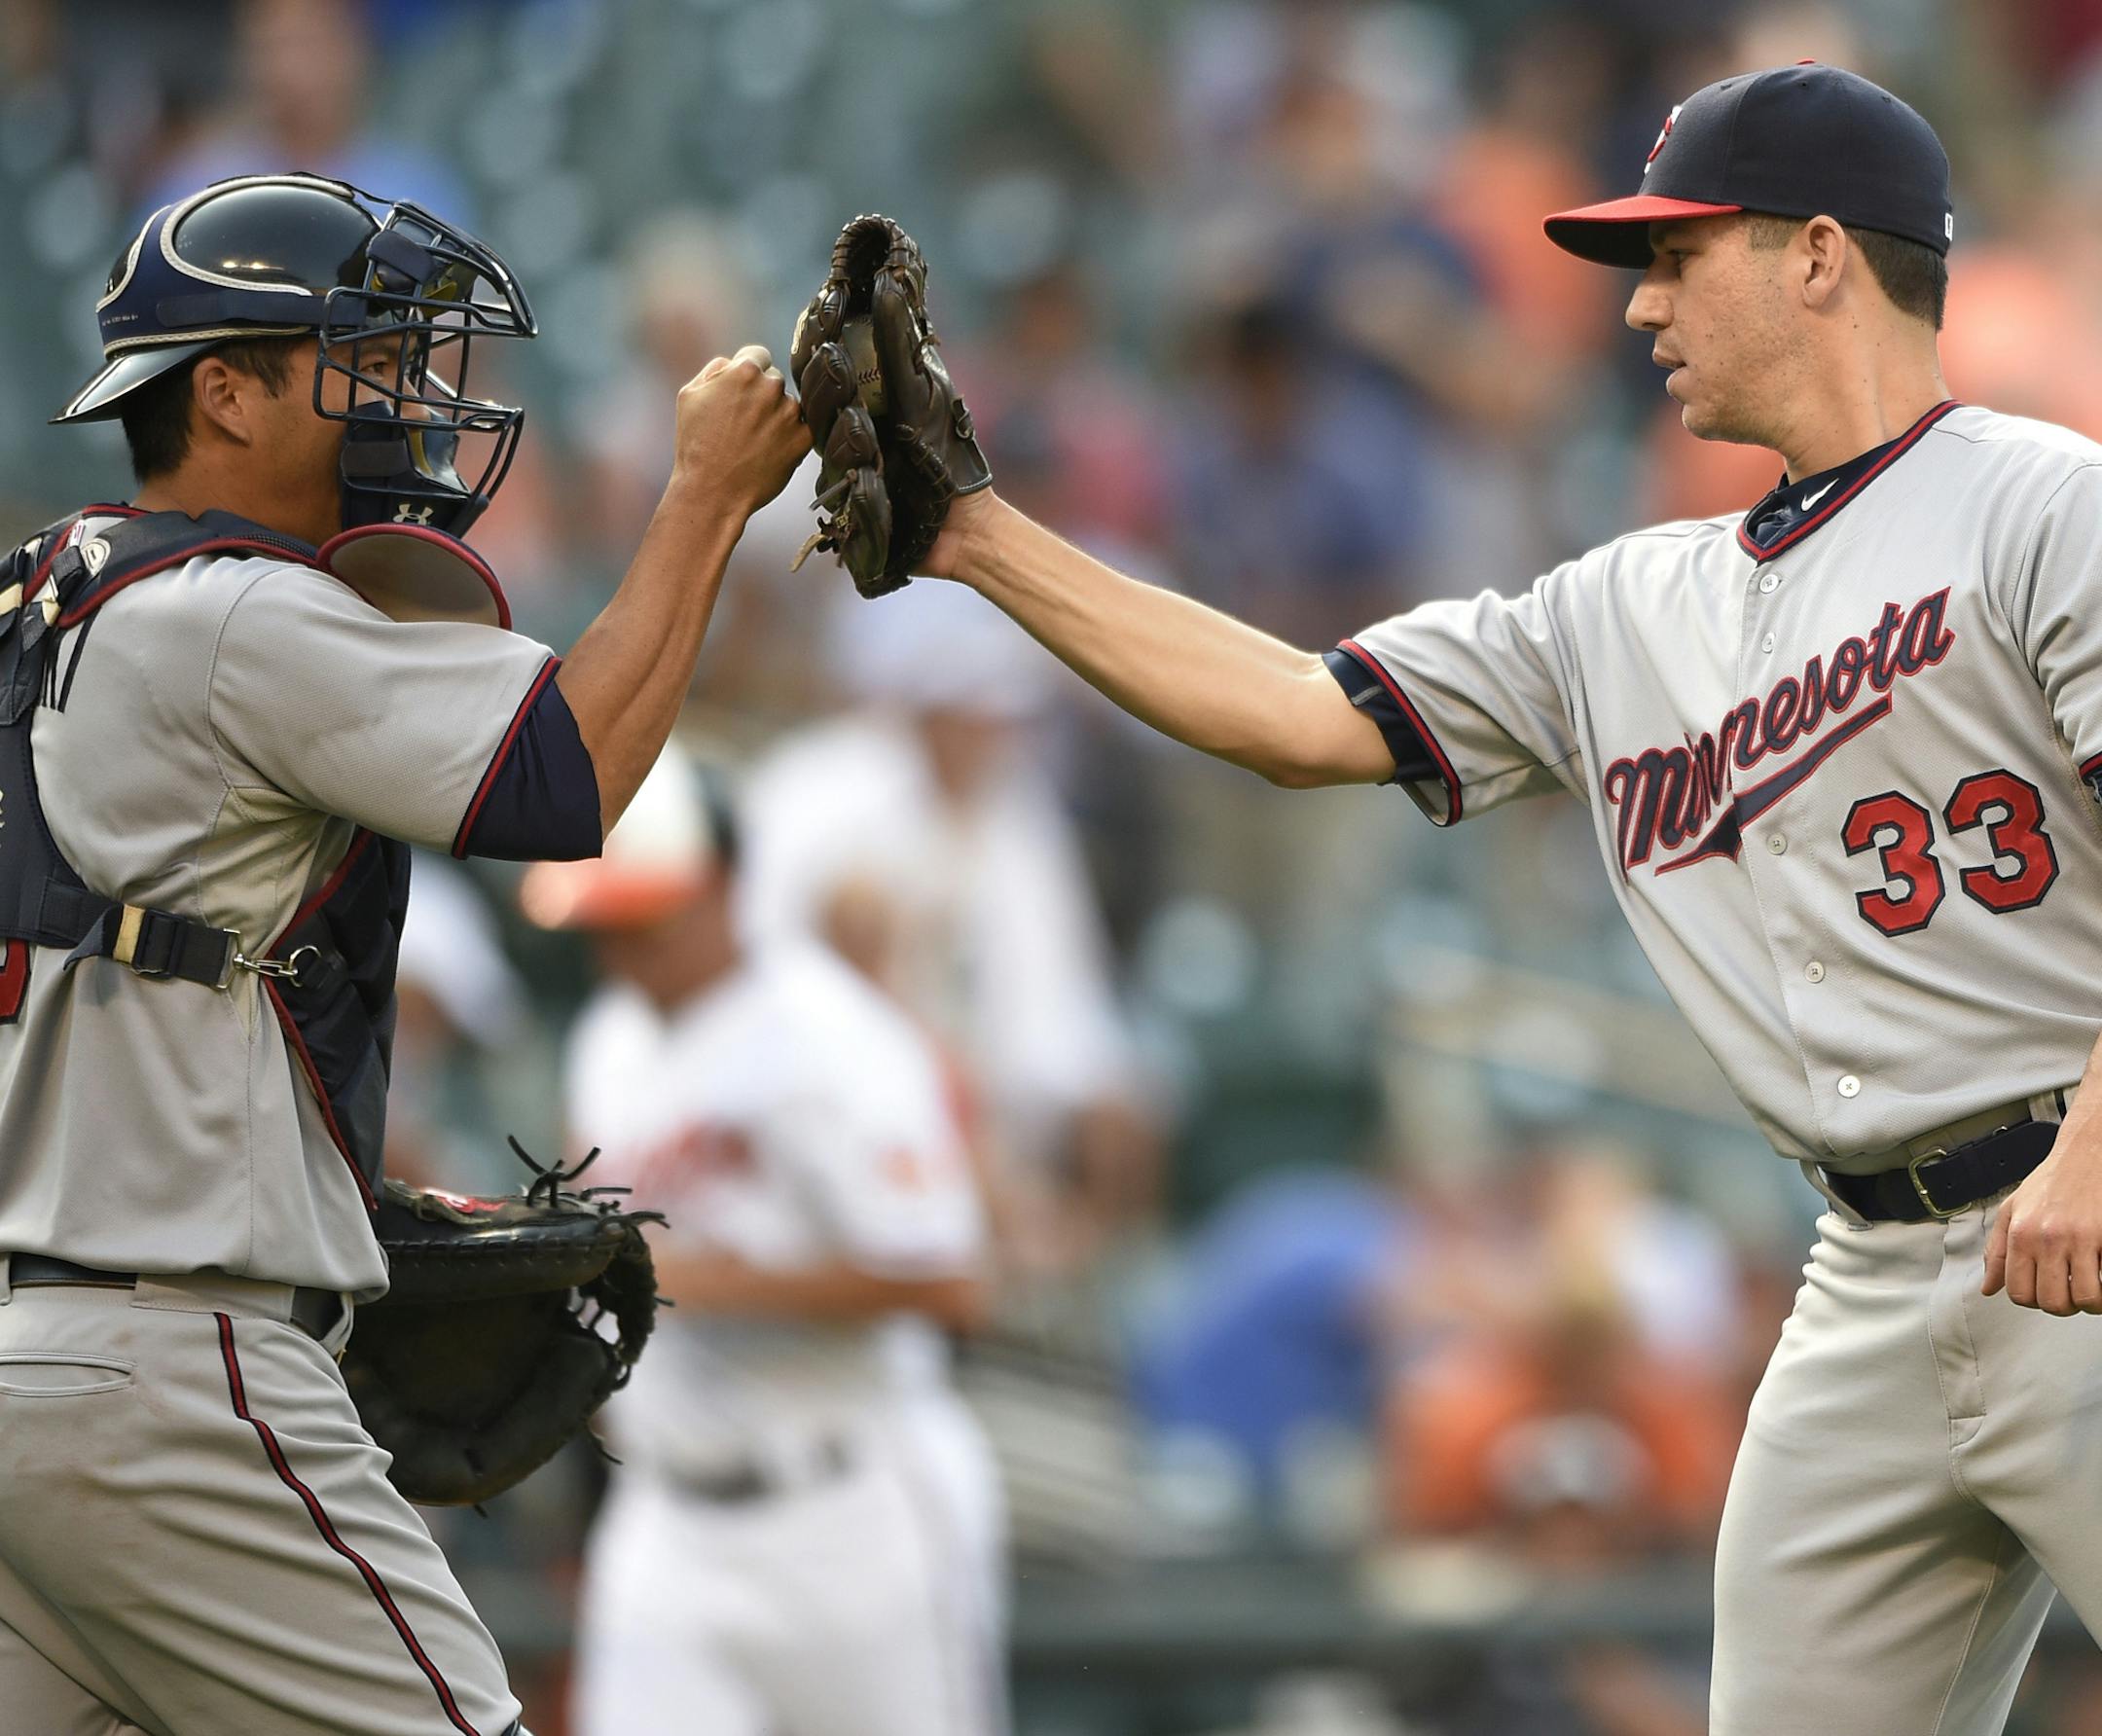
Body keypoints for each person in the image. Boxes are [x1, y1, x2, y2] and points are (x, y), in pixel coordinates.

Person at [888, 62, 2102, 1734]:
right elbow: (1306, 714)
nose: (1642, 305)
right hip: (1871, 1278)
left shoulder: (2050, 506)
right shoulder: (1626, 605)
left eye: (1682, 255)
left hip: (2081, 1202)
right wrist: (979, 537)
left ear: (1822, 255)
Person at [0, 173, 806, 1734]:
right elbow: (557, 778)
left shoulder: (50, 598)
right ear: (221, 392)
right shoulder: (224, 613)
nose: (416, 396)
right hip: (177, 1372)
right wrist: (705, 495)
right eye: (361, 356)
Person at [521, 745, 1004, 1736]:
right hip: (666, 1520)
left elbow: (954, 1281)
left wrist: (689, 1280)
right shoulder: (606, 1040)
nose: (622, 949)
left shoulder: (834, 1035)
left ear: (726, 887)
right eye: (605, 925)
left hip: (849, 1509)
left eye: (646, 918)